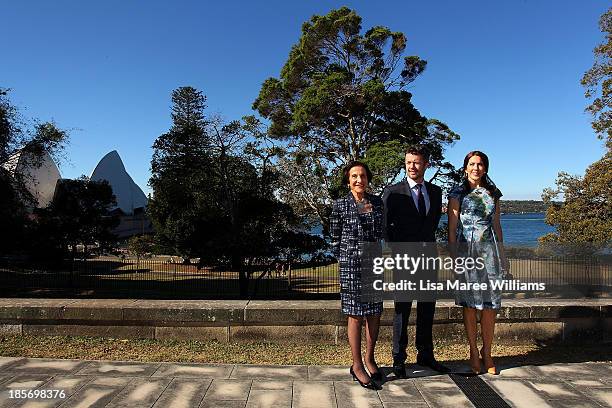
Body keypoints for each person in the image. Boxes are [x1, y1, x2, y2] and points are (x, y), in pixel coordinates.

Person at [383, 147, 450, 378]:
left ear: (426, 165)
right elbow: (385, 226)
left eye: (417, 162)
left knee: (427, 309)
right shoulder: (393, 192)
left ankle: (426, 355)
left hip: (429, 258)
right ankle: (398, 359)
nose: (412, 166)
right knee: (402, 310)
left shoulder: (436, 191)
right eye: (408, 162)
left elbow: (430, 224)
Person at [447, 150, 507, 375]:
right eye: (472, 164)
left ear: (485, 168)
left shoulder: (493, 192)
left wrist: (503, 256)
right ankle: (473, 352)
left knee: (490, 307)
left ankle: (487, 352)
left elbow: (498, 226)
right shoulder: (457, 193)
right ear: (465, 168)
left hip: (489, 253)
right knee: (470, 306)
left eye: (480, 164)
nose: (476, 168)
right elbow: (452, 229)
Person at [330, 161, 384, 390]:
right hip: (351, 266)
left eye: (362, 175)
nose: (359, 180)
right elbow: (334, 237)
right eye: (354, 176)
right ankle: (357, 365)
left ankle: (370, 358)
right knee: (355, 314)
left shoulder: (377, 203)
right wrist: (345, 259)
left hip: (373, 263)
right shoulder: (340, 205)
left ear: (368, 178)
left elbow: (380, 231)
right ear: (348, 179)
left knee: (374, 313)